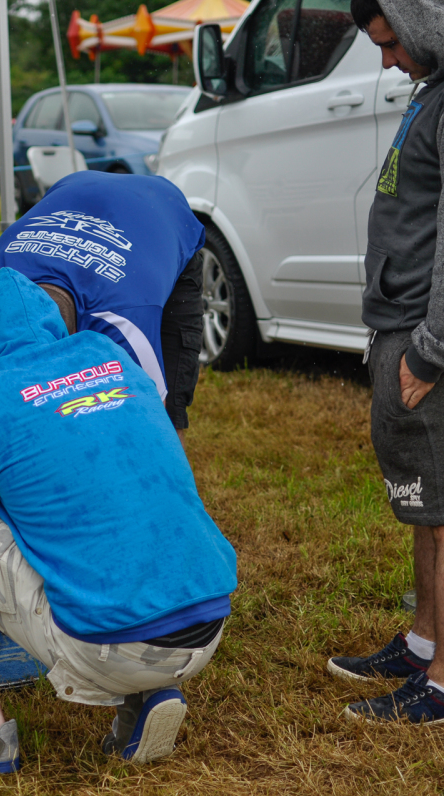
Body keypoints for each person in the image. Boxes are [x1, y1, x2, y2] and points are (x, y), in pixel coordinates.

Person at [0, 268, 237, 771]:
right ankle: (146, 694)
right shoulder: (111, 357)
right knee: (109, 518)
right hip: (207, 623)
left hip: (110, 643)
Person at [325, 0, 444, 723]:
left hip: (424, 339)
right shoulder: (429, 91)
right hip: (399, 326)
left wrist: (431, 351)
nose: (388, 60)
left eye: (394, 43)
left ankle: (440, 689)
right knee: (425, 508)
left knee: (443, 513)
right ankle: (423, 645)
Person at [0, 170, 205, 437]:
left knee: (162, 417)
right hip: (75, 189)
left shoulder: (123, 322)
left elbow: (154, 432)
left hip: (161, 209)